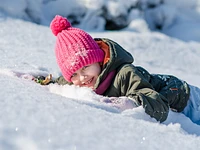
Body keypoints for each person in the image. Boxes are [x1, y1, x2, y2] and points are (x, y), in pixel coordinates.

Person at [44, 15, 200, 124]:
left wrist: (132, 102)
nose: (82, 77)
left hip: (185, 98)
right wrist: (44, 81)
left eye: (85, 67)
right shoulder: (78, 81)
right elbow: (62, 81)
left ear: (99, 60)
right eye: (74, 74)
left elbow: (157, 105)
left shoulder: (125, 73)